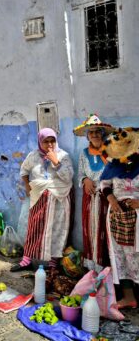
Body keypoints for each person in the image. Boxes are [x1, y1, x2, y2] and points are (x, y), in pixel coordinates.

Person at [11, 128, 74, 272]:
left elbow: (68, 177)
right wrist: (27, 185)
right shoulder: (33, 156)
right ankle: (26, 260)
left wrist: (56, 162)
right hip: (39, 197)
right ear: (40, 142)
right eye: (46, 141)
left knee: (57, 229)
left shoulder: (63, 156)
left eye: (52, 141)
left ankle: (53, 263)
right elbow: (24, 170)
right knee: (34, 227)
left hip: (59, 198)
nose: (50, 144)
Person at [101, 127, 139, 309]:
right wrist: (112, 199)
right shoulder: (114, 164)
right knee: (120, 256)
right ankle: (129, 297)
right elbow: (105, 184)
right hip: (117, 216)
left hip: (138, 216)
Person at [73, 114, 115, 272]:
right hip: (89, 198)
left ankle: (107, 270)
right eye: (91, 132)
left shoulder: (110, 151)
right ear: (87, 136)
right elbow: (80, 173)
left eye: (97, 131)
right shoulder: (84, 153)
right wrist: (85, 180)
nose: (95, 134)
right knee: (89, 231)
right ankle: (91, 268)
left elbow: (115, 173)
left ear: (103, 133)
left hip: (106, 197)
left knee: (105, 232)